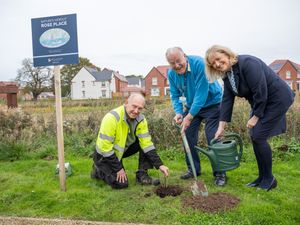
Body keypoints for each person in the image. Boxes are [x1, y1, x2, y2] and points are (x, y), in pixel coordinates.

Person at [205, 45, 295, 191]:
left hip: (277, 99)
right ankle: (262, 177)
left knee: (258, 136)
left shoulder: (248, 63)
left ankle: (269, 179)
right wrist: (221, 127)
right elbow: (227, 100)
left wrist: (256, 117)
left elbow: (261, 90)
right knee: (255, 136)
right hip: (262, 102)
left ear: (227, 54)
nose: (216, 64)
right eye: (212, 63)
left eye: (218, 59)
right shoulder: (228, 75)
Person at [166, 47, 227, 186]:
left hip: (213, 103)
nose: (176, 65)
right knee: (187, 134)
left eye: (178, 61)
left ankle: (220, 173)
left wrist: (189, 117)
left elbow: (201, 93)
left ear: (185, 56)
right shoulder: (171, 73)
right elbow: (175, 95)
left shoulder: (199, 64)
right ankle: (193, 170)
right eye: (172, 63)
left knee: (213, 136)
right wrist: (179, 113)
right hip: (192, 105)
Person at [91, 93, 169, 189]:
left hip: (121, 151)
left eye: (140, 108)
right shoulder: (112, 118)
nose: (136, 111)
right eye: (134, 106)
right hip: (104, 155)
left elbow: (147, 144)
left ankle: (142, 175)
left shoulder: (141, 119)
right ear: (126, 103)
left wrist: (160, 165)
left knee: (143, 144)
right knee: (121, 184)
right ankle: (98, 170)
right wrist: (119, 168)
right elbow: (105, 148)